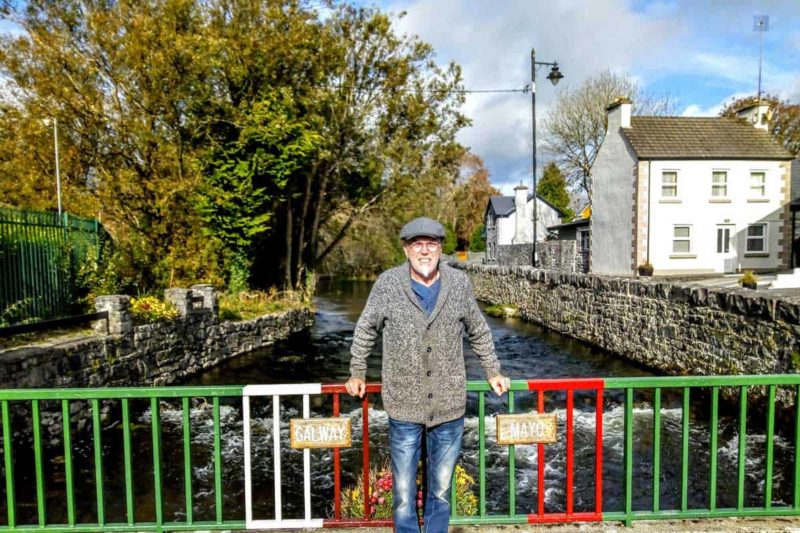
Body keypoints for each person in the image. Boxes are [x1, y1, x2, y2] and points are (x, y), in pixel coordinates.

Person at [345, 216, 508, 533]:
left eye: (431, 244)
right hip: (403, 405)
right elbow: (365, 329)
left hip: (448, 406)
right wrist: (357, 371)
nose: (424, 251)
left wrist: (493, 370)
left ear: (440, 249)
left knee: (441, 492)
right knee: (404, 495)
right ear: (406, 249)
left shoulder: (458, 284)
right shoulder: (388, 284)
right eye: (417, 244)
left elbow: (478, 330)